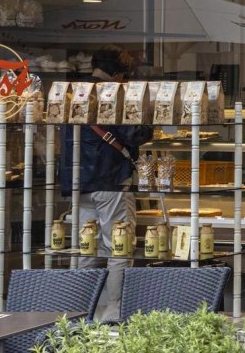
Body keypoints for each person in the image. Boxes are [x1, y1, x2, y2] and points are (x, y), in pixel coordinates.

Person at [58, 48, 152, 320]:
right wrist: (148, 113)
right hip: (109, 179)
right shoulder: (113, 95)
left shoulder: (72, 93)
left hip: (78, 182)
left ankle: (79, 310)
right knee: (118, 245)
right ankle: (115, 309)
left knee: (87, 246)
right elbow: (134, 134)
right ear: (120, 74)